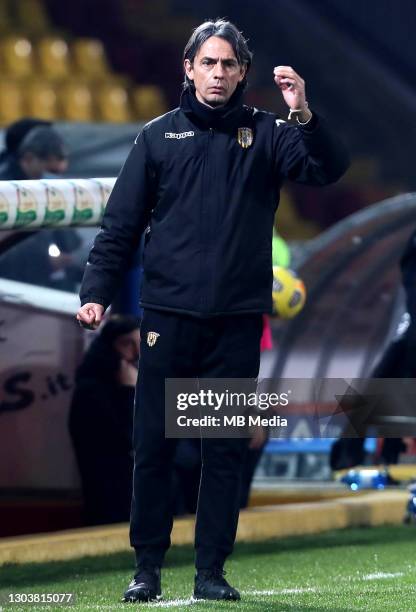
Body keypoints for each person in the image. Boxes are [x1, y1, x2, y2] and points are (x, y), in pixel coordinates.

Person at [77, 19, 349, 603]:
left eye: (229, 65)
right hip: (168, 317)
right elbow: (119, 225)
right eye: (209, 63)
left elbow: (328, 169)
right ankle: (147, 565)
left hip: (234, 321)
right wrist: (95, 291)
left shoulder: (271, 133)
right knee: (153, 444)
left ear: (243, 73)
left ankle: (211, 572)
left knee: (221, 449)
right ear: (188, 68)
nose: (219, 74)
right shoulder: (155, 138)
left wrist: (303, 110)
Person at [68, 315, 140, 525]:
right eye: (128, 344)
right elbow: (127, 437)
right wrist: (129, 392)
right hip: (111, 500)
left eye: (140, 344)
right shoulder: (91, 390)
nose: (135, 353)